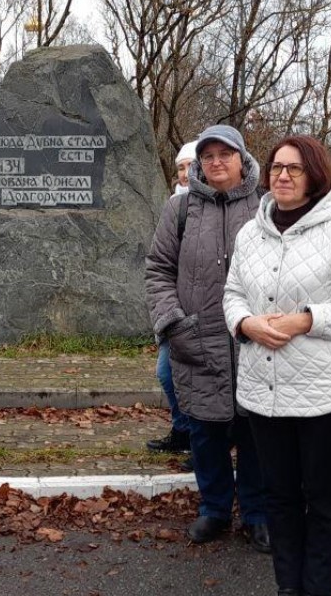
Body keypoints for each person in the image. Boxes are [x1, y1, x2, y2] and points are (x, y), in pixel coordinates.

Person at [224, 136, 331, 596]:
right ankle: (287, 588)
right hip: (263, 392)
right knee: (280, 499)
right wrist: (246, 322)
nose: (283, 176)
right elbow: (232, 294)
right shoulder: (250, 233)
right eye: (277, 167)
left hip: (323, 398)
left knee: (326, 503)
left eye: (295, 168)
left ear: (316, 174)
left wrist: (305, 320)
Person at [144, 124, 270, 552]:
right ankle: (214, 508)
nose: (216, 162)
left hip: (257, 342)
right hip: (197, 340)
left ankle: (256, 513)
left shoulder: (267, 205)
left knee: (256, 434)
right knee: (204, 434)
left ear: (241, 158)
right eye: (209, 155)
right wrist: (172, 322)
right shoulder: (180, 210)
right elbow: (158, 269)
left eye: (225, 154)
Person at [146, 140, 197, 461]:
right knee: (167, 373)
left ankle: (205, 441)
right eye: (180, 166)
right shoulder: (174, 207)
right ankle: (183, 430)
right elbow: (161, 263)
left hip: (208, 312)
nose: (185, 172)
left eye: (191, 165)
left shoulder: (213, 206)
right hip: (175, 311)